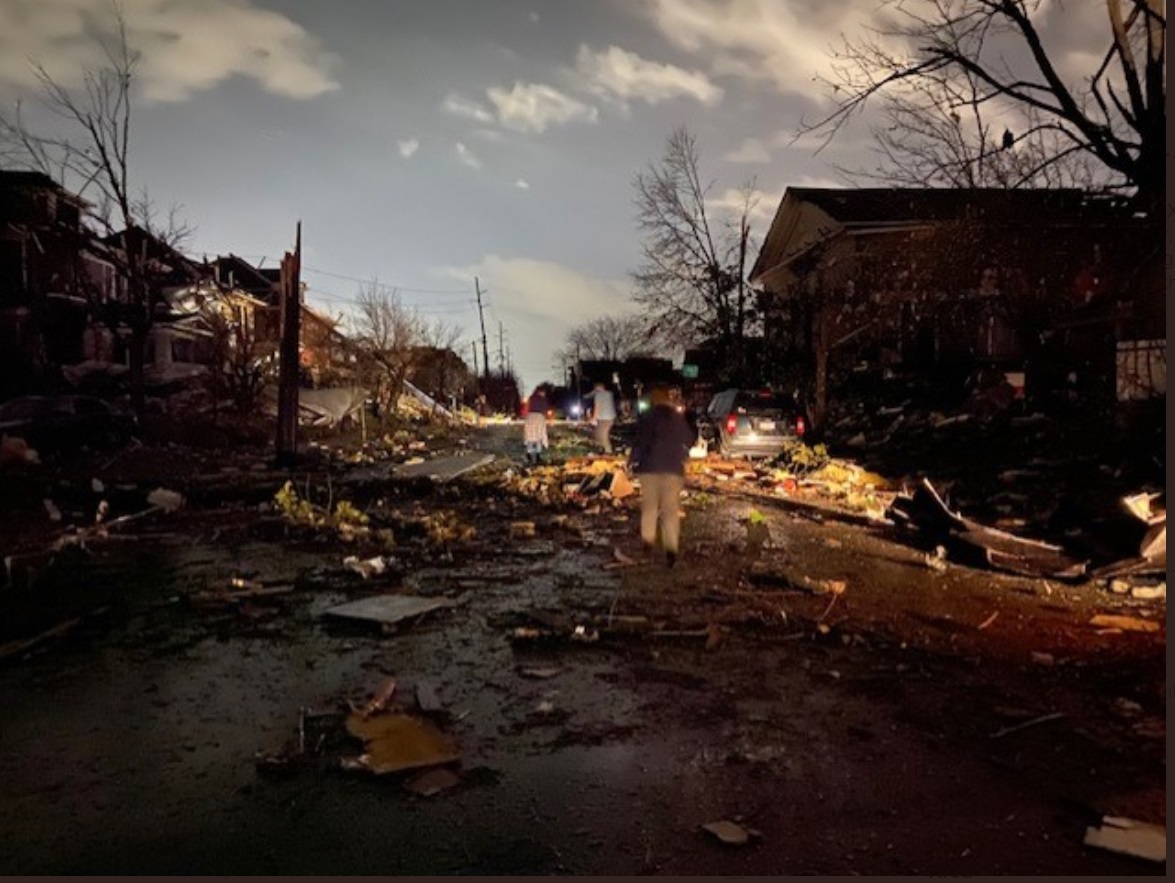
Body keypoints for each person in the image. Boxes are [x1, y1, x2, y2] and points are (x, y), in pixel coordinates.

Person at [627, 386, 696, 567]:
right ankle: (671, 549)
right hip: (673, 469)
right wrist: (682, 454)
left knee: (650, 506)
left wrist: (632, 461)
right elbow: (689, 439)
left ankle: (648, 541)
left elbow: (640, 441)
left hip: (649, 468)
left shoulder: (647, 417)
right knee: (670, 511)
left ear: (653, 401)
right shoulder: (677, 417)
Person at [585, 381, 617, 453]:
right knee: (598, 434)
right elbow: (590, 394)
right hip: (610, 418)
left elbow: (598, 407)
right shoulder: (609, 394)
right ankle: (603, 450)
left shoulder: (599, 395)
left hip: (604, 419)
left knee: (602, 436)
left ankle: (608, 452)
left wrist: (593, 418)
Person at [522, 385, 550, 465]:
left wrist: (525, 416)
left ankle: (529, 455)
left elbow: (526, 408)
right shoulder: (543, 399)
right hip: (539, 418)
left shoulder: (531, 398)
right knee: (539, 436)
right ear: (542, 392)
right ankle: (537, 456)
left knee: (530, 436)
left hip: (530, 417)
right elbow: (545, 409)